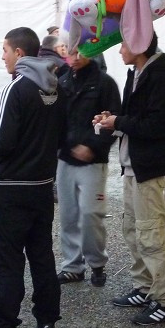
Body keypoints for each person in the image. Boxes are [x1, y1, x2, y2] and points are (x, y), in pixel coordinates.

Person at [0, 27, 64, 328]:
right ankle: (47, 322)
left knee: (8, 262)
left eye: (5, 50)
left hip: (12, 188)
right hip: (42, 187)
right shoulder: (53, 86)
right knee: (42, 256)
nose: (2, 56)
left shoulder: (17, 87)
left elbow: (1, 139)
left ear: (19, 54)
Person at [94, 34, 165, 326]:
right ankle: (144, 288)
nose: (119, 50)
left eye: (123, 44)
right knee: (133, 229)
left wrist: (117, 122)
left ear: (140, 45)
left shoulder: (160, 78)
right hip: (133, 166)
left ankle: (163, 301)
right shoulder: (138, 73)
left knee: (151, 234)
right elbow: (135, 117)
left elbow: (156, 125)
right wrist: (114, 118)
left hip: (150, 169)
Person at [55, 48, 121, 286]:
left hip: (93, 161)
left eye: (77, 52)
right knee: (68, 215)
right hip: (65, 159)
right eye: (68, 52)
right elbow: (55, 119)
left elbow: (114, 121)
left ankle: (97, 262)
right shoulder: (62, 82)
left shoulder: (105, 84)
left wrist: (93, 146)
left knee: (91, 214)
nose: (72, 57)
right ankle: (72, 266)